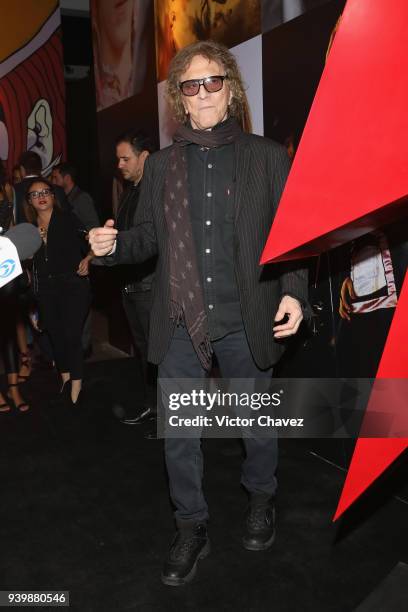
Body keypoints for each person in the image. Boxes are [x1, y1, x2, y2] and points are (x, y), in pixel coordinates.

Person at [90, 40, 308, 586]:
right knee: (181, 434)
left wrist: (294, 292)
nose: (203, 92)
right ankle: (191, 525)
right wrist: (111, 246)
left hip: (248, 315)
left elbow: (292, 237)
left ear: (230, 91)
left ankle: (261, 499)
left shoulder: (265, 157)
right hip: (181, 321)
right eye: (191, 85)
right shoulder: (161, 167)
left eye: (213, 82)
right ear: (179, 101)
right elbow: (144, 239)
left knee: (256, 425)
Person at [24, 178, 92, 405]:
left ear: (53, 196)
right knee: (56, 334)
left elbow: (90, 240)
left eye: (45, 191)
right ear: (29, 202)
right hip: (46, 289)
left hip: (73, 285)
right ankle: (65, 377)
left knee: (72, 334)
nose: (41, 196)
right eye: (35, 194)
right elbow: (24, 263)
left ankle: (77, 384)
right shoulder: (28, 230)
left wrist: (89, 259)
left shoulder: (67, 219)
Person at [113, 129, 157, 425]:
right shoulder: (129, 193)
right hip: (131, 287)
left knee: (158, 356)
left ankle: (168, 416)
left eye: (125, 158)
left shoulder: (156, 193)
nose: (120, 165)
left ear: (144, 157)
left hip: (151, 288)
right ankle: (153, 407)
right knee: (145, 353)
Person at [0, 160, 29, 412]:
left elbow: (11, 228)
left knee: (7, 327)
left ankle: (13, 388)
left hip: (3, 261)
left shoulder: (6, 188)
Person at [51, 163, 100, 231]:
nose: (52, 181)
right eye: (52, 178)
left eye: (55, 177)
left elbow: (94, 225)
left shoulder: (82, 198)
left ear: (67, 178)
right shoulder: (60, 198)